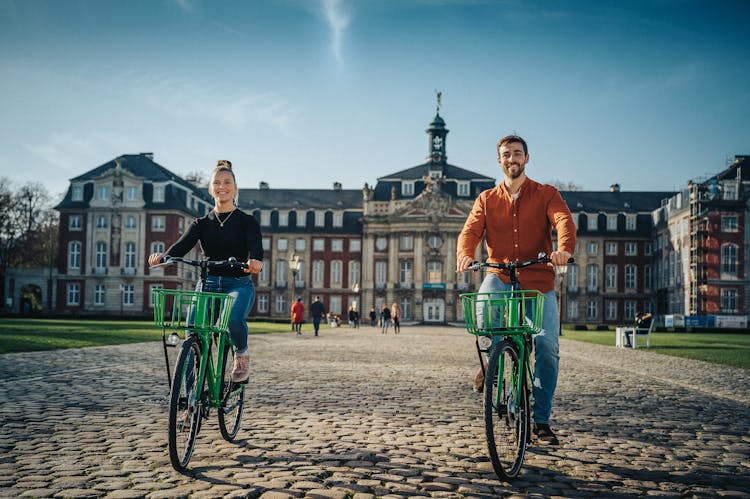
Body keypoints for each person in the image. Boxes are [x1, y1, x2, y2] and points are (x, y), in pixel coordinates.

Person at [456, 135, 576, 446]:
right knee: (483, 307)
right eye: (506, 154)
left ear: (526, 158)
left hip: (538, 279)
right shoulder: (486, 199)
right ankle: (495, 360)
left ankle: (541, 421)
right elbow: (470, 229)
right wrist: (465, 253)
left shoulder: (546, 193)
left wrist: (563, 249)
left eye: (517, 153)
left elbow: (563, 220)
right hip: (500, 273)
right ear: (499, 161)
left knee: (547, 347)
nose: (512, 159)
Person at [148, 160, 263, 383]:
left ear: (235, 187)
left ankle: (241, 354)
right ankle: (190, 399)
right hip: (207, 284)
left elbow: (256, 246)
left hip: (238, 284)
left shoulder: (247, 222)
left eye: (227, 182)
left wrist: (255, 260)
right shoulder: (201, 223)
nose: (222, 186)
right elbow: (181, 245)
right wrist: (164, 257)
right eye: (217, 183)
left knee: (232, 319)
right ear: (211, 188)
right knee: (192, 332)